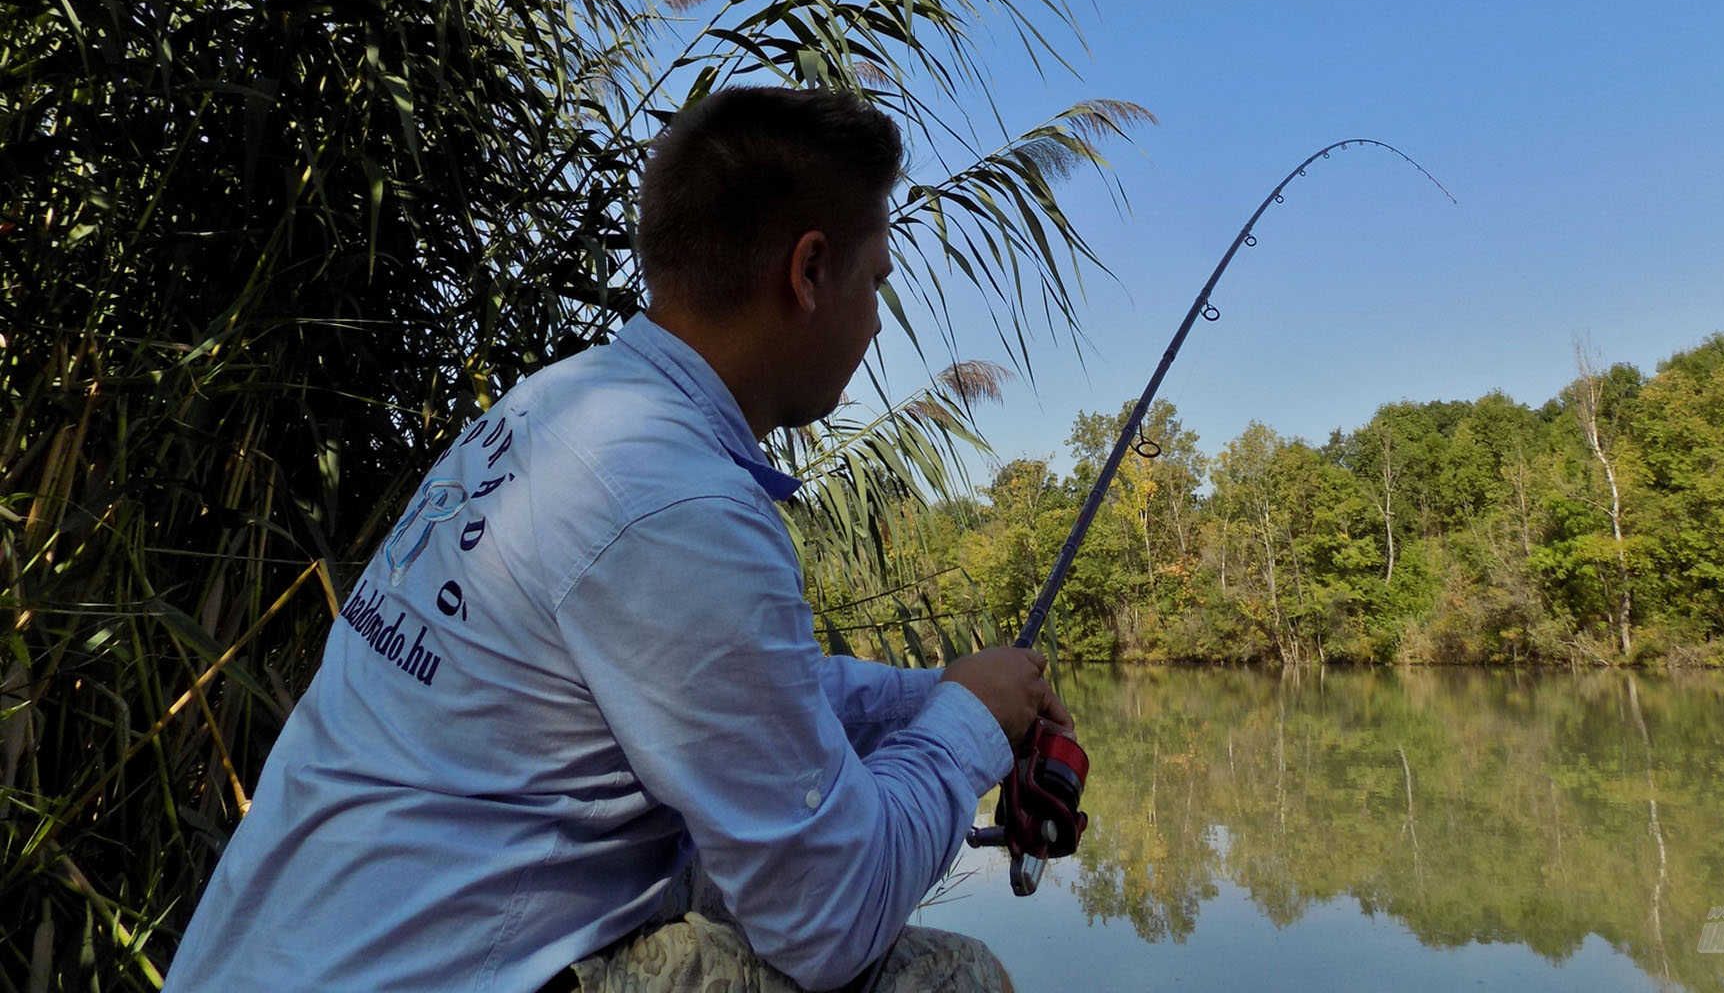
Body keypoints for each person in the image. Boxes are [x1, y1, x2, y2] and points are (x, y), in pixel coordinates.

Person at [168, 87, 1072, 992]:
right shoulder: (683, 506)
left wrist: (929, 695)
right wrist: (967, 731)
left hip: (268, 960)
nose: (878, 321)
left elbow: (744, 689)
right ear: (808, 272)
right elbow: (831, 916)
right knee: (948, 978)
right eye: (875, 280)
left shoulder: (550, 410)